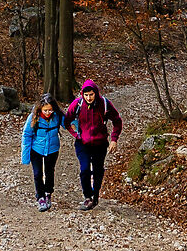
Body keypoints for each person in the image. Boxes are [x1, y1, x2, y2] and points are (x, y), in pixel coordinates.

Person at [62, 77, 122, 209]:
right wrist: (75, 134)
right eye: (86, 95)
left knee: (98, 170)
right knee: (84, 170)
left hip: (100, 143)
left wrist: (114, 139)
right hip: (82, 143)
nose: (88, 98)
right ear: (82, 94)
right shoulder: (77, 104)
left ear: (96, 93)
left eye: (91, 95)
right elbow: (67, 121)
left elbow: (117, 121)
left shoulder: (104, 104)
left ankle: (95, 196)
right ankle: (87, 197)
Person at [21, 92, 63, 208]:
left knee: (49, 172)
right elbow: (26, 135)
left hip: (52, 149)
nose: (48, 113)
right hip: (36, 149)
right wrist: (25, 157)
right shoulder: (33, 118)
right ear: (40, 108)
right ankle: (40, 197)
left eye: (50, 110)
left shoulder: (58, 116)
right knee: (37, 173)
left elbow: (69, 124)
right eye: (45, 110)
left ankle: (48, 193)